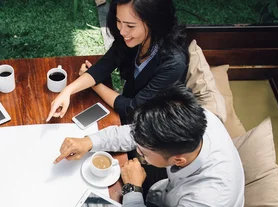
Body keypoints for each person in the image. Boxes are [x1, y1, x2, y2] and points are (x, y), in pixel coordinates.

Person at [54, 86, 244, 207]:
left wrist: (133, 188)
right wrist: (89, 141)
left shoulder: (209, 200)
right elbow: (138, 135)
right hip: (168, 195)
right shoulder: (198, 119)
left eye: (142, 153)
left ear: (178, 160)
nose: (138, 151)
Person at [46, 0, 188, 124]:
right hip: (127, 105)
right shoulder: (136, 38)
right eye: (118, 21)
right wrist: (68, 91)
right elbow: (106, 64)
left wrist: (96, 86)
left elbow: (132, 108)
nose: (122, 31)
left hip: (149, 125)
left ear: (154, 23)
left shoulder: (173, 63)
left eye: (130, 26)